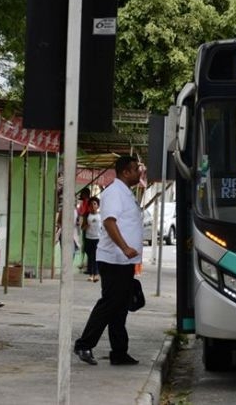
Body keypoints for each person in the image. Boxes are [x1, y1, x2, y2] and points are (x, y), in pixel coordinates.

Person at [74, 155, 143, 366]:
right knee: (110, 303)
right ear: (125, 172)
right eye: (136, 169)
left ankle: (119, 352)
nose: (140, 173)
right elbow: (110, 222)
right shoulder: (114, 192)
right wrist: (124, 247)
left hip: (124, 261)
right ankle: (84, 344)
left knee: (120, 307)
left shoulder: (126, 193)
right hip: (114, 259)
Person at [82, 196, 102, 283]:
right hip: (88, 238)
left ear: (98, 206)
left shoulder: (101, 216)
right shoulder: (87, 215)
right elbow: (82, 227)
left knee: (96, 257)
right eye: (91, 204)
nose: (93, 206)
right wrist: (87, 226)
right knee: (90, 257)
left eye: (95, 204)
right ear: (89, 206)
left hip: (98, 239)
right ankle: (91, 275)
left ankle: (96, 274)